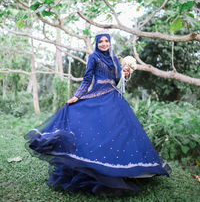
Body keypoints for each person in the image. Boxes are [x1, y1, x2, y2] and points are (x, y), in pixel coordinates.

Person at [24, 33, 171, 197]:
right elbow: (87, 79)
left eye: (106, 41)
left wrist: (126, 74)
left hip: (114, 99)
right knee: (95, 129)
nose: (103, 44)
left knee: (118, 133)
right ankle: (95, 169)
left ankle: (123, 170)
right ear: (96, 43)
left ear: (109, 42)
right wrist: (77, 96)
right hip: (98, 95)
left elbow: (117, 80)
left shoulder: (114, 58)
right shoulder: (93, 57)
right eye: (100, 41)